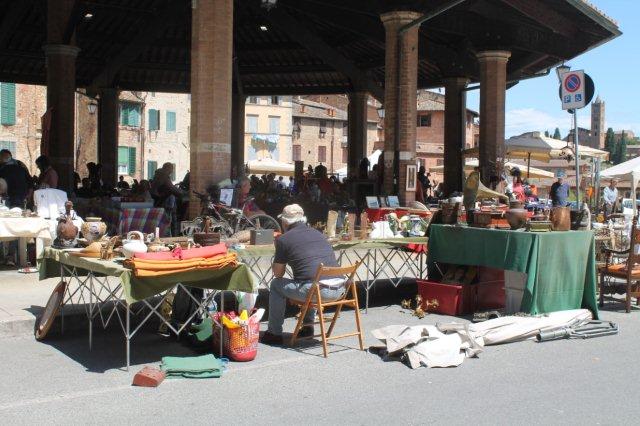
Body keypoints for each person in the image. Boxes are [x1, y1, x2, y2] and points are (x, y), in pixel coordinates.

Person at [262, 204, 342, 345]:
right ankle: (307, 327)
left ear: (284, 222)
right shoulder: (319, 234)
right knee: (309, 280)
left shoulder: (283, 239)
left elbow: (278, 274)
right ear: (302, 218)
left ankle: (274, 333)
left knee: (276, 285)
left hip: (317, 290)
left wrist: (279, 253)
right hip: (340, 288)